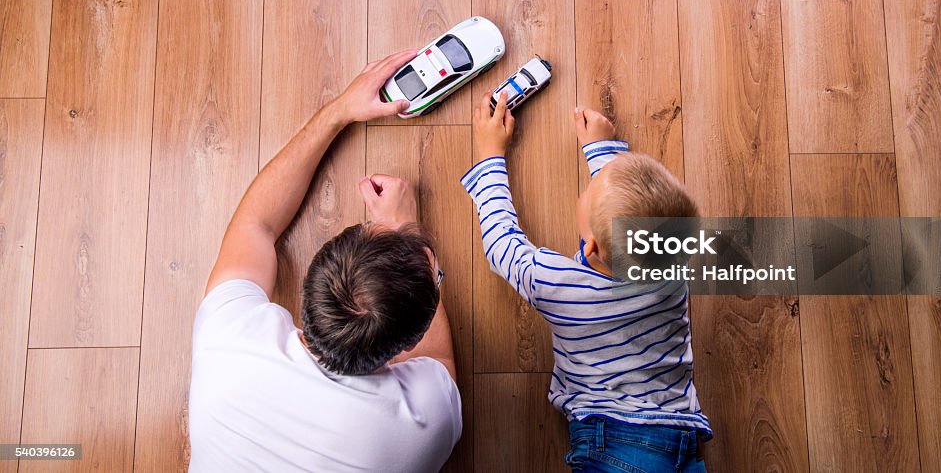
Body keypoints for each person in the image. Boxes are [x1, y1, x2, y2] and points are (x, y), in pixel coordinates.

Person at [188, 51, 461, 472]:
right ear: (408, 343)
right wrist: (406, 229)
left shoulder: (229, 337)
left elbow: (256, 225)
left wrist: (338, 112)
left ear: (312, 282)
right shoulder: (422, 425)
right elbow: (439, 363)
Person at [464, 93, 711, 472]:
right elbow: (629, 223)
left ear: (592, 244)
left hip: (615, 441)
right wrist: (602, 149)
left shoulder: (556, 286)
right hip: (680, 430)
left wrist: (489, 153)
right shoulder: (673, 270)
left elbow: (502, 244)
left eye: (587, 194)